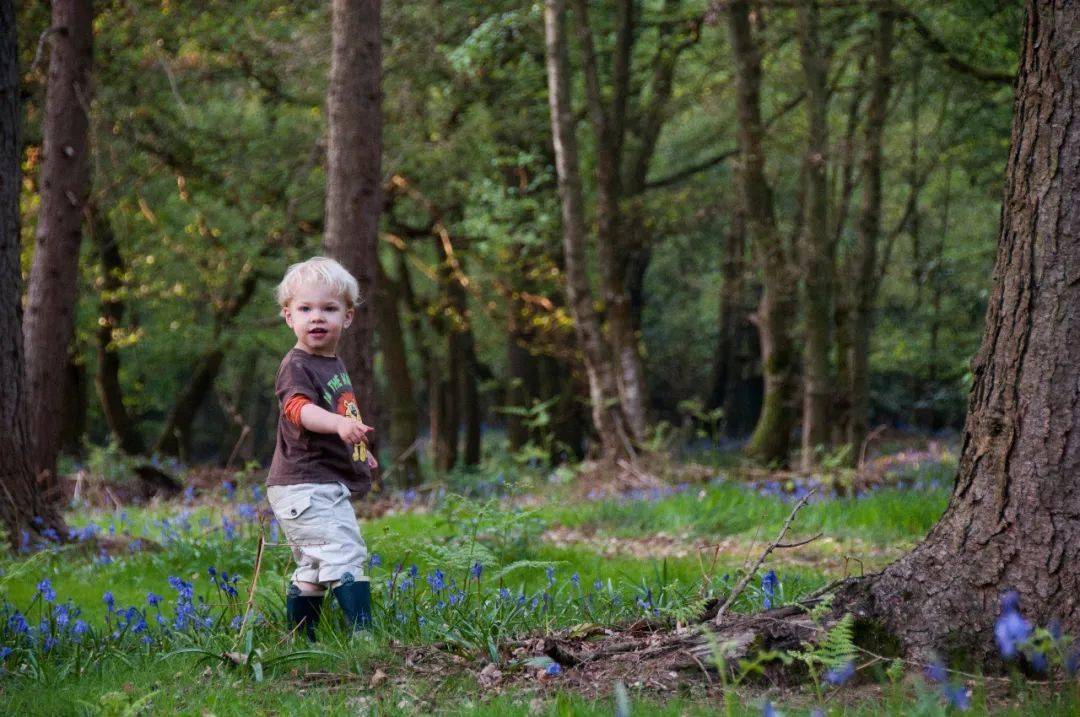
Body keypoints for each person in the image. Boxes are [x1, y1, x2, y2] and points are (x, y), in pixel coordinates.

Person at [266, 256, 378, 638]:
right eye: (306, 309)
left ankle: (303, 639)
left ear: (347, 317)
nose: (317, 317)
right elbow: (300, 411)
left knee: (314, 566)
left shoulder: (333, 363)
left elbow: (341, 414)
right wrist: (339, 425)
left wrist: (357, 445)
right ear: (288, 317)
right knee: (345, 552)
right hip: (305, 485)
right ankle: (362, 637)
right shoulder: (297, 365)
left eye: (329, 309)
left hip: (315, 483)